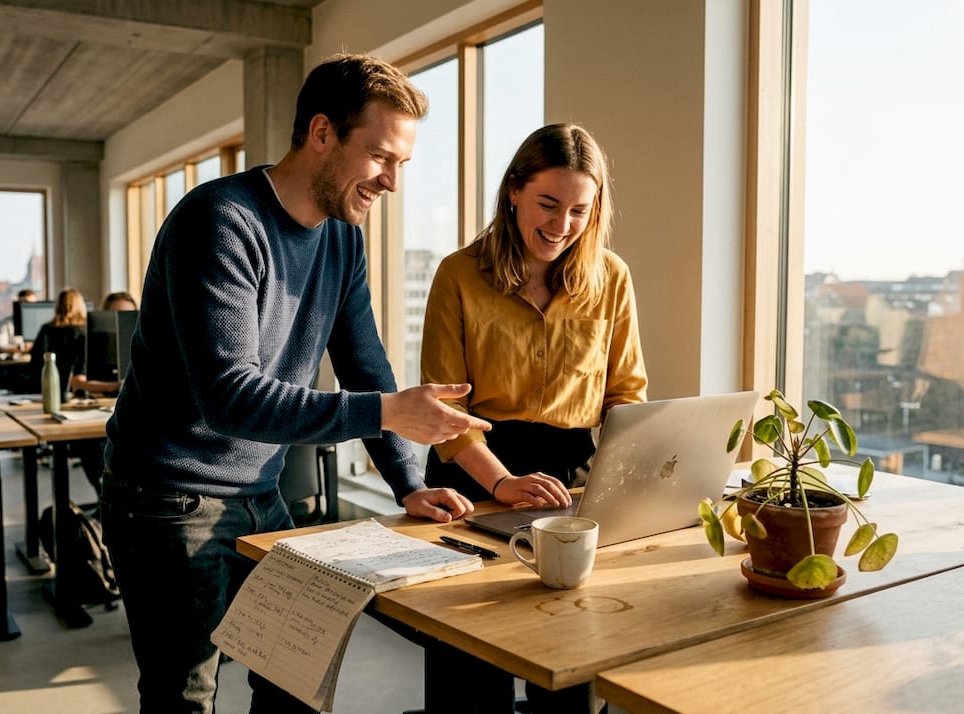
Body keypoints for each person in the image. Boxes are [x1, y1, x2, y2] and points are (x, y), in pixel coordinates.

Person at [101, 52, 491, 713]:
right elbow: (229, 397)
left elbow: (366, 364)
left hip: (261, 493)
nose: (393, 182)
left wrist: (408, 483)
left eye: (402, 163)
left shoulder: (342, 240)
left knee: (294, 677)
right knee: (184, 697)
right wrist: (387, 412)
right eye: (381, 157)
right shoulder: (220, 220)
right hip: (167, 498)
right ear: (321, 133)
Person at [420, 124, 648, 712]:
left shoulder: (612, 277)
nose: (561, 224)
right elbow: (447, 409)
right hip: (474, 477)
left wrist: (631, 475)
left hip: (571, 482)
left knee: (569, 672)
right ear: (514, 191)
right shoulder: (459, 274)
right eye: (548, 204)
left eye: (579, 210)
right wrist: (501, 481)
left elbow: (626, 394)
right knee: (470, 678)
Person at [28, 288, 119, 492]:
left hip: (51, 397)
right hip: (78, 396)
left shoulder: (46, 329)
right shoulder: (85, 331)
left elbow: (34, 366)